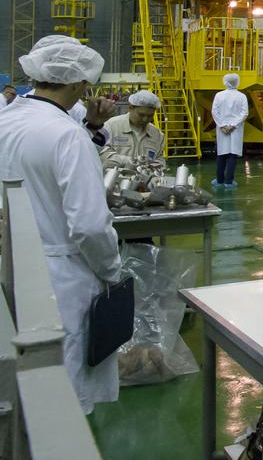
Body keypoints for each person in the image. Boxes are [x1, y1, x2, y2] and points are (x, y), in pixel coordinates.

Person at [0, 38, 123, 414]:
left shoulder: (6, 119)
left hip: (10, 264)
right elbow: (88, 225)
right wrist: (111, 270)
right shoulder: (67, 136)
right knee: (59, 386)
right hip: (60, 276)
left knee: (15, 371)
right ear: (75, 84)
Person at [101, 90, 165, 172]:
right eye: (141, 115)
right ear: (130, 108)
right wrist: (131, 162)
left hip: (143, 183)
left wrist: (153, 169)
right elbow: (102, 155)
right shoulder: (111, 126)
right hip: (113, 181)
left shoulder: (157, 135)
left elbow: (159, 162)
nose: (145, 119)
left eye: (150, 115)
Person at [212, 73, 248, 186]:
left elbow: (215, 111)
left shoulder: (219, 95)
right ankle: (229, 181)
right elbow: (244, 113)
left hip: (222, 129)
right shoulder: (242, 96)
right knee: (232, 155)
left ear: (225, 81)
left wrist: (222, 125)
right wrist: (233, 125)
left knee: (221, 154)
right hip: (235, 129)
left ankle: (219, 180)